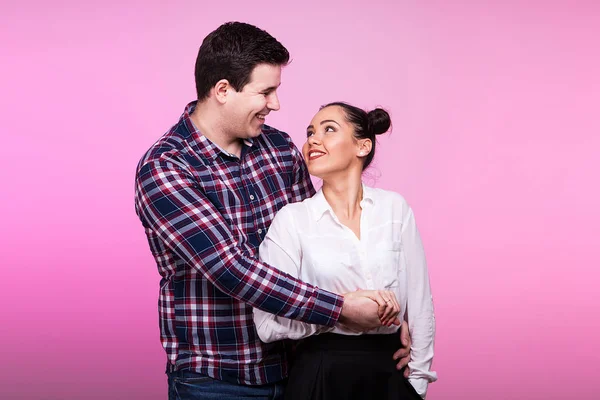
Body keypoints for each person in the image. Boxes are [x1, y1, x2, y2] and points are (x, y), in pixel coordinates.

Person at [134, 22, 412, 400]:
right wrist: (343, 309)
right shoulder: (167, 167)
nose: (276, 104)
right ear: (222, 91)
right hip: (217, 380)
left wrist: (391, 319)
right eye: (265, 91)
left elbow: (320, 244)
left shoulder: (279, 149)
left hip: (301, 369)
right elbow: (233, 270)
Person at [253, 102, 437, 399]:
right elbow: (267, 322)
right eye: (310, 132)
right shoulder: (292, 219)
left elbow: (420, 303)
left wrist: (417, 383)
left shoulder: (394, 209)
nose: (313, 139)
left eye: (328, 129)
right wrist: (340, 310)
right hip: (320, 375)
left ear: (362, 146)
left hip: (389, 374)